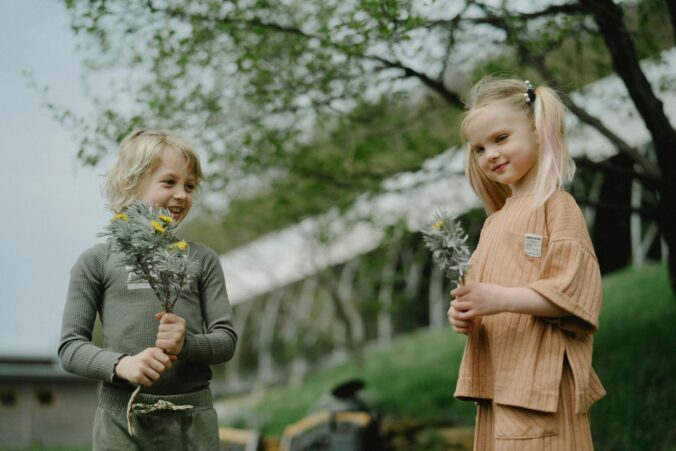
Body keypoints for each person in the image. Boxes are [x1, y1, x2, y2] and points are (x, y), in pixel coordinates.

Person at [448, 77, 605, 450]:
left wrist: (500, 299)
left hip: (540, 387)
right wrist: (466, 312)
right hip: (502, 383)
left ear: (537, 131)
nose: (490, 155)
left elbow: (575, 298)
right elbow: (486, 296)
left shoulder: (555, 206)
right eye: (479, 149)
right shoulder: (494, 222)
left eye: (501, 138)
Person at [59, 129, 237, 450]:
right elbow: (70, 348)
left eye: (189, 186)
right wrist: (120, 365)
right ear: (130, 184)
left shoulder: (202, 259)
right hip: (121, 423)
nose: (181, 194)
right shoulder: (96, 262)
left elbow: (225, 341)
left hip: (192, 422)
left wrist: (187, 343)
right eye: (169, 182)